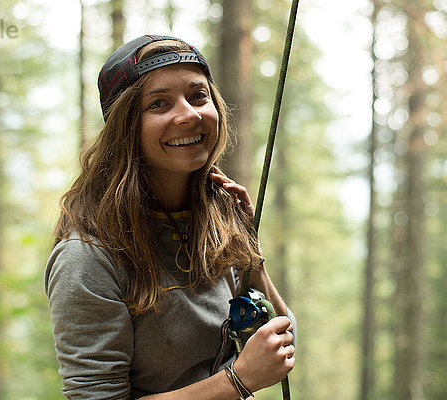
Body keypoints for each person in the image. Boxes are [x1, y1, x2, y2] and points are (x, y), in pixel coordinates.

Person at [45, 34, 295, 400]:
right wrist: (237, 381)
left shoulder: (215, 221)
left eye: (198, 96)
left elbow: (280, 345)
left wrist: (250, 254)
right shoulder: (88, 256)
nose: (189, 114)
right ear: (125, 128)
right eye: (159, 103)